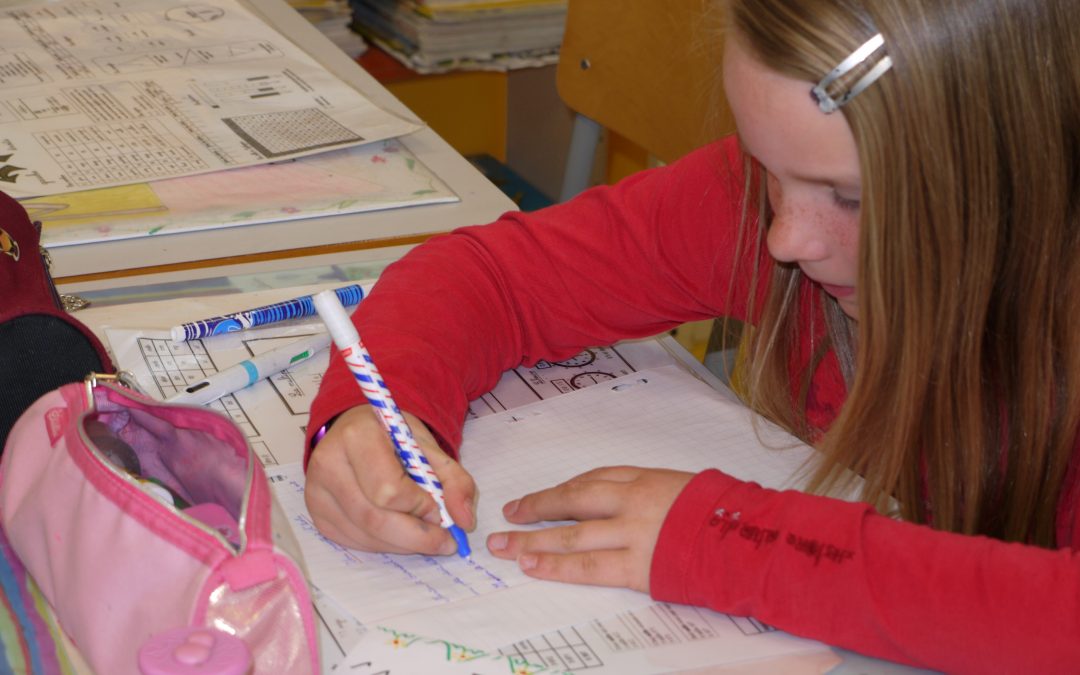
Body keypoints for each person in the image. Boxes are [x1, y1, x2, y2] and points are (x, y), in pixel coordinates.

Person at [303, 0, 1080, 671]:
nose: (784, 238)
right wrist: (374, 409)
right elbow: (494, 276)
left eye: (846, 196)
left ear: (1020, 174)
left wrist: (735, 544)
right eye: (767, 166)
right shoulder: (769, 210)